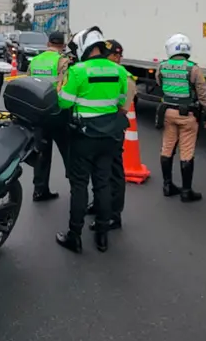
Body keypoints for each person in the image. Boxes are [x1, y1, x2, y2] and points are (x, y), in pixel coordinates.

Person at [55, 27, 128, 254]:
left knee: (79, 186)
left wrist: (62, 86)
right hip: (109, 137)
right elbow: (122, 102)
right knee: (103, 184)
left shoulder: (77, 71)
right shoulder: (119, 71)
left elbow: (64, 103)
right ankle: (102, 236)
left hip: (83, 137)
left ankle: (74, 236)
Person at [155, 34, 206, 202]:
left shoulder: (162, 66)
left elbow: (160, 83)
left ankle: (167, 185)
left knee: (167, 148)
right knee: (186, 151)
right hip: (187, 114)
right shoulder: (193, 68)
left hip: (167, 113)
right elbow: (203, 93)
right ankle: (186, 191)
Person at [88, 39, 133, 231]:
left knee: (113, 172)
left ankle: (114, 214)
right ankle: (99, 205)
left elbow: (124, 107)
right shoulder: (107, 72)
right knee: (98, 170)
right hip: (99, 129)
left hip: (112, 130)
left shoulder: (125, 76)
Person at [26, 31, 71, 202]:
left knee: (42, 153)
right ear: (63, 45)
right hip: (57, 113)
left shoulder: (36, 60)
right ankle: (76, 187)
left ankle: (39, 190)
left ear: (48, 43)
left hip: (38, 113)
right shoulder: (63, 61)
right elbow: (65, 87)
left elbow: (28, 83)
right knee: (68, 151)